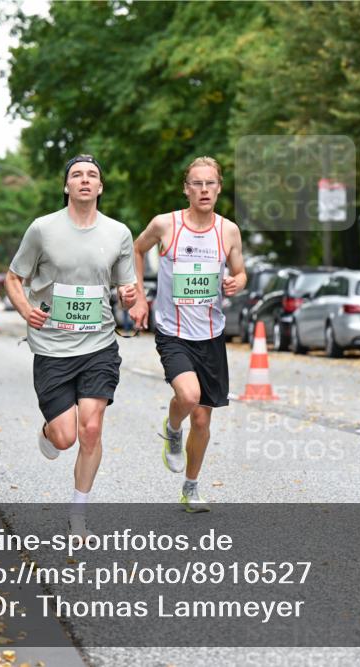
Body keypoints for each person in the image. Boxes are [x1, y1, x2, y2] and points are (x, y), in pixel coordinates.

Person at [6, 154, 137, 535]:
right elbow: (14, 278)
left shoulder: (118, 233)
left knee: (91, 429)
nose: (84, 180)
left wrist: (130, 296)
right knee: (65, 436)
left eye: (92, 175)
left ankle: (78, 512)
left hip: (98, 345)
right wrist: (25, 310)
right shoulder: (42, 230)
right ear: (66, 186)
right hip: (52, 347)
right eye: (76, 175)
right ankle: (48, 432)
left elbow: (125, 286)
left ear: (100, 188)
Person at [129, 156, 247, 513]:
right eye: (197, 183)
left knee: (203, 418)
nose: (204, 189)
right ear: (186, 188)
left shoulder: (228, 230)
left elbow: (241, 273)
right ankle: (172, 427)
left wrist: (234, 282)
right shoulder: (166, 225)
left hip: (211, 334)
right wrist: (139, 296)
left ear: (219, 187)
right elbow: (136, 249)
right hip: (172, 330)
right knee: (189, 396)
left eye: (210, 183)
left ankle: (191, 488)